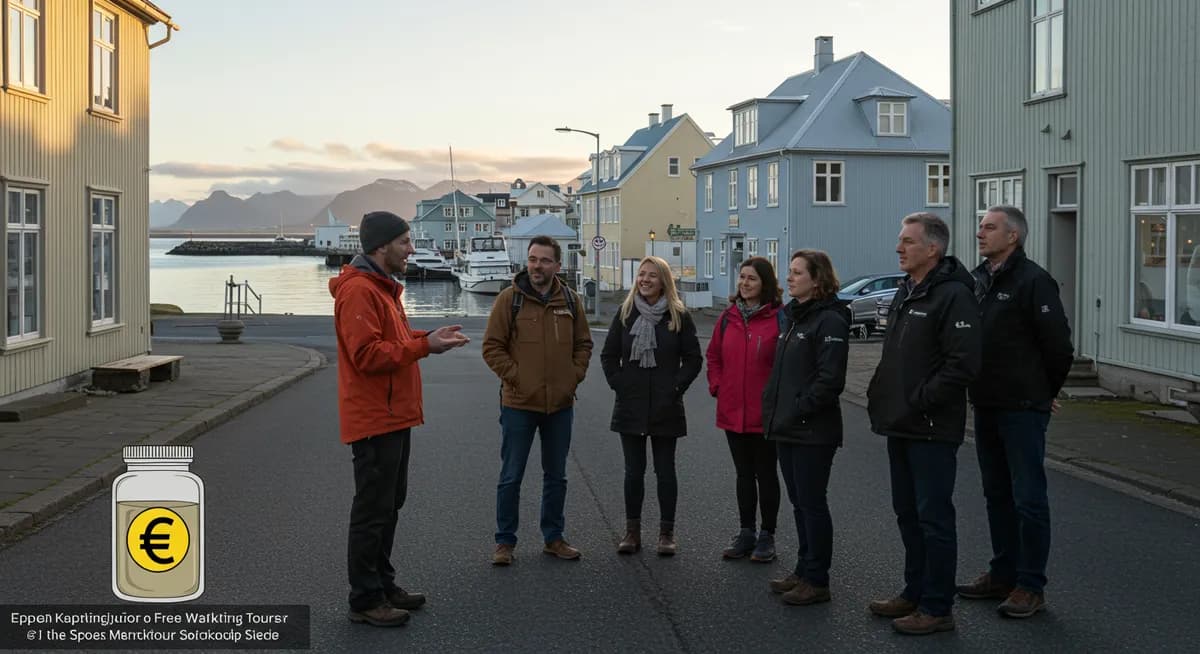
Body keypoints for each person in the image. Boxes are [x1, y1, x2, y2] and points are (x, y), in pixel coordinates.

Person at [330, 211, 470, 627]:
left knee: (389, 505)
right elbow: (368, 355)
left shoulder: (383, 288)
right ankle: (365, 598)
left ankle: (383, 584)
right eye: (405, 242)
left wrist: (428, 338)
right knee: (373, 509)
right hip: (374, 418)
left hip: (393, 415)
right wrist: (424, 349)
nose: (411, 249)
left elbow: (394, 342)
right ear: (381, 246)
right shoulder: (359, 292)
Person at [866, 212, 980, 636]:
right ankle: (914, 592)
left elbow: (963, 364)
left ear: (932, 248)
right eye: (900, 240)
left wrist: (920, 400)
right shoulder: (908, 291)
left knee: (934, 518)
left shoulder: (953, 296)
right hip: (901, 422)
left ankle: (937, 606)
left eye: (908, 242)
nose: (899, 248)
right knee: (908, 514)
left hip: (931, 425)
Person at [957, 206, 1073, 618]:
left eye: (989, 228)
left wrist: (1044, 392)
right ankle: (1002, 573)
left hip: (1023, 407)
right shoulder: (977, 280)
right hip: (986, 404)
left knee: (1028, 498)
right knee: (996, 495)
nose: (980, 233)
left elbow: (1059, 347)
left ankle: (1031, 585)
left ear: (1013, 237)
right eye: (980, 227)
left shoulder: (1034, 281)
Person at [481, 235, 592, 565]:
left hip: (560, 405)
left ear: (557, 265)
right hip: (518, 404)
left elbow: (583, 345)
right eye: (532, 259)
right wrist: (517, 378)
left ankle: (553, 538)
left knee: (556, 476)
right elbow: (492, 348)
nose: (537, 266)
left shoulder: (570, 301)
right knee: (511, 476)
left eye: (544, 260)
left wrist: (572, 378)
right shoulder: (508, 300)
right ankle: (504, 543)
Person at [762, 250, 849, 606]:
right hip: (786, 426)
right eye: (790, 271)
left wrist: (799, 409)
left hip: (812, 430)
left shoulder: (828, 320)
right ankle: (803, 569)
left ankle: (817, 579)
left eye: (798, 272)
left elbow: (830, 380)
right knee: (798, 503)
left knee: (813, 504)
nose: (790, 277)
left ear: (818, 279)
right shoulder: (793, 317)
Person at [601, 256, 702, 555]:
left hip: (665, 406)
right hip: (631, 405)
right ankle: (632, 532)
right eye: (641, 274)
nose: (645, 280)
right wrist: (621, 385)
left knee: (665, 471)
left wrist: (674, 388)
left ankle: (666, 534)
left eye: (652, 276)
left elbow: (693, 359)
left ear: (664, 282)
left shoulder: (679, 316)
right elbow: (608, 356)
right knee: (633, 472)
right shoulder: (626, 313)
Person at [706, 257, 785, 562]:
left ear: (765, 283)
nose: (745, 283)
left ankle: (767, 535)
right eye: (742, 277)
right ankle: (746, 532)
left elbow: (786, 364)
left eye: (752, 278)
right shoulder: (728, 318)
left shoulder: (779, 319)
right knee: (743, 475)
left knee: (766, 474)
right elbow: (713, 356)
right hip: (732, 410)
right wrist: (718, 385)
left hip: (765, 414)